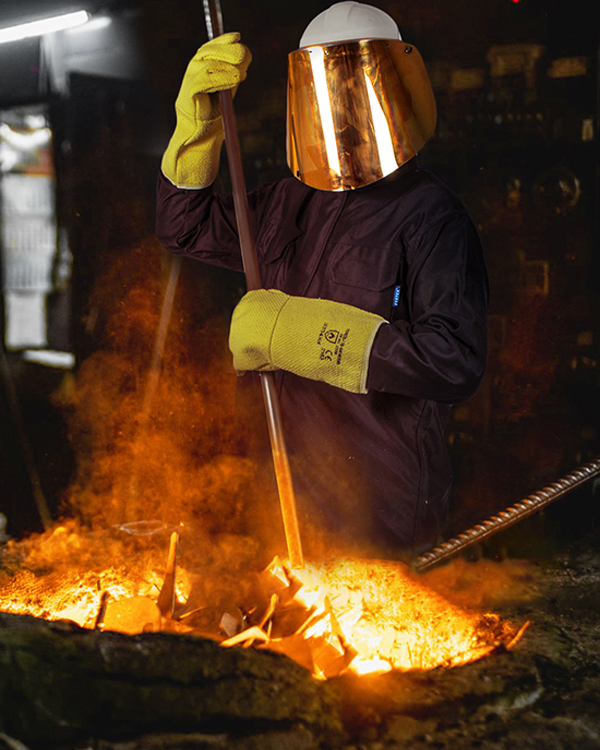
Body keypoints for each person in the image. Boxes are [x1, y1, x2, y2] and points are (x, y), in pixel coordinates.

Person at [155, 1, 489, 559]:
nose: (342, 109)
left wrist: (299, 332)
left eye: (357, 89)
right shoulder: (285, 201)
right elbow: (183, 228)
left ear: (395, 91)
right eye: (326, 90)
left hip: (377, 510)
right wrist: (199, 126)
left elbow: (453, 361)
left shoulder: (431, 215)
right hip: (278, 496)